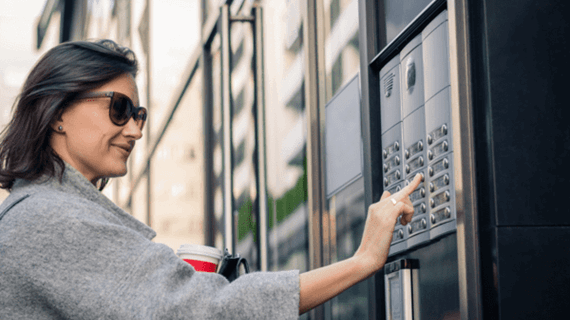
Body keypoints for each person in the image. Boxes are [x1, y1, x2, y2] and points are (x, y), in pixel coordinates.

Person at [0, 39, 421, 319]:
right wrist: (362, 259)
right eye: (119, 108)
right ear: (57, 112)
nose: (136, 129)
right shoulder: (51, 221)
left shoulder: (41, 213)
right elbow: (205, 310)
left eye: (140, 114)